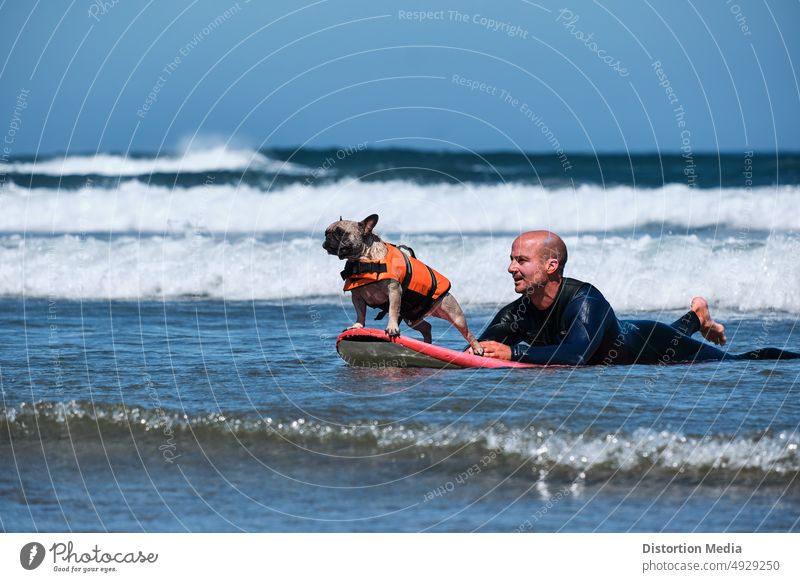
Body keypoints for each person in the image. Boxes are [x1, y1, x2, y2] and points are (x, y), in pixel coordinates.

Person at [476, 231, 799, 365]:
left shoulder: (587, 302)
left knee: (735, 361)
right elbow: (479, 350)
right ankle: (696, 317)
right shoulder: (515, 312)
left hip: (651, 343)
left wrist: (513, 352)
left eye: (521, 260)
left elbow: (575, 356)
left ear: (551, 266)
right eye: (512, 259)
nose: (510, 268)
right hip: (620, 331)